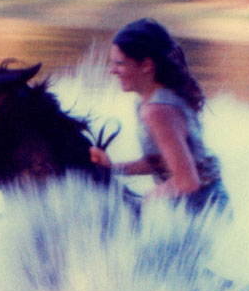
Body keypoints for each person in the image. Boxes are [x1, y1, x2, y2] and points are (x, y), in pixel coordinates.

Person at [90, 19, 227, 215]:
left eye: (120, 63)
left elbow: (187, 182)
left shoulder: (158, 110)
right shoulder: (150, 100)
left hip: (200, 211)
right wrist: (113, 168)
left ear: (146, 65)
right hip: (202, 205)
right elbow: (165, 162)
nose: (112, 70)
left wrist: (149, 200)